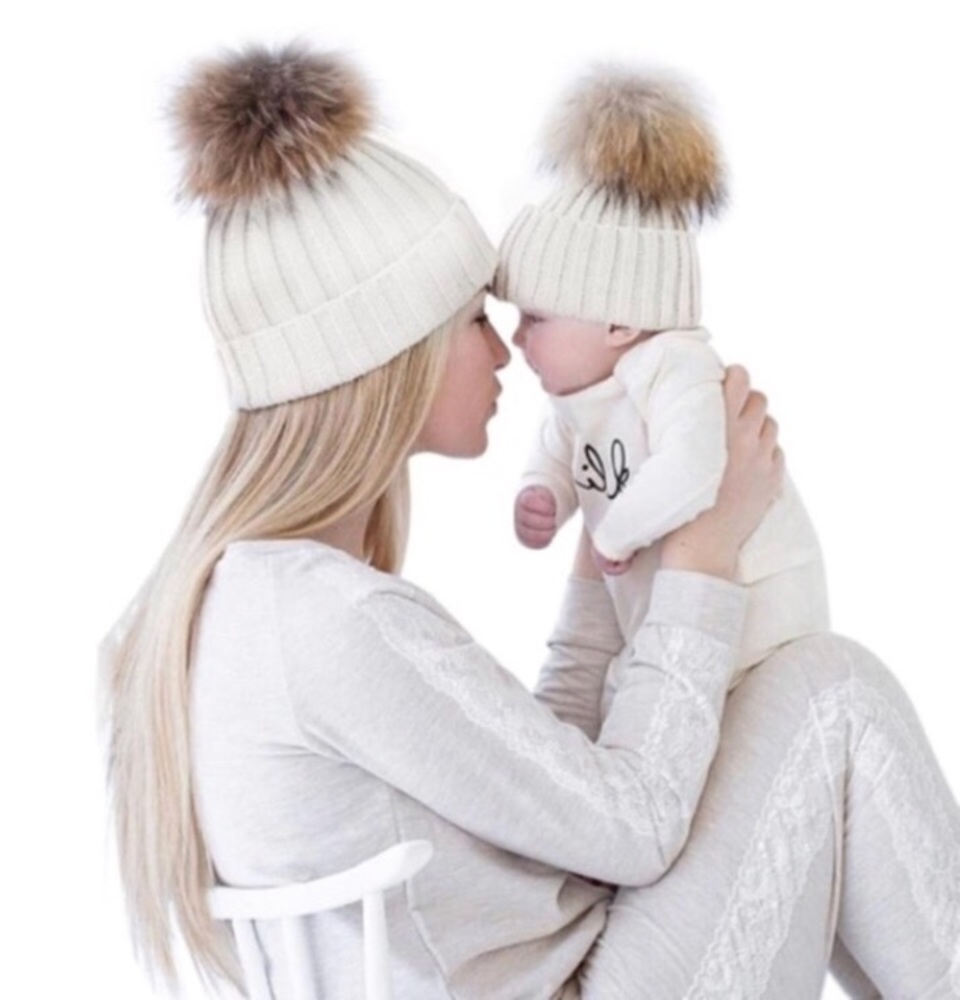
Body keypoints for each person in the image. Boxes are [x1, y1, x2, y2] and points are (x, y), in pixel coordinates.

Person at [101, 41, 960, 999]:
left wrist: (612, 543)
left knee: (819, 692)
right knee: (832, 691)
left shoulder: (260, 604)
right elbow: (634, 826)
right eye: (475, 318)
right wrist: (703, 554)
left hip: (572, 964)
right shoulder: (330, 621)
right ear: (393, 358)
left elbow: (558, 794)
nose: (506, 349)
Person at [498, 67, 828, 691]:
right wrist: (541, 494)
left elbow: (693, 468)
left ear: (620, 321)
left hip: (760, 622)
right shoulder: (579, 398)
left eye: (534, 319)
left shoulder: (675, 368)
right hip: (676, 620)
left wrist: (617, 535)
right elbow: (558, 453)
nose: (517, 340)